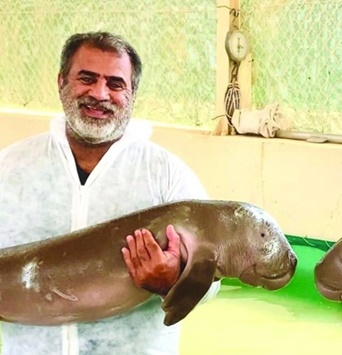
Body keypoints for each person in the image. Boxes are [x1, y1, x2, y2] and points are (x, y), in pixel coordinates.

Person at [0, 31, 221, 354]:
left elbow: (211, 286)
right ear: (61, 81)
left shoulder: (167, 176)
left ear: (133, 92)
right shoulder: (9, 168)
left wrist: (172, 280)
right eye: (86, 78)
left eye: (115, 84)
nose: (100, 94)